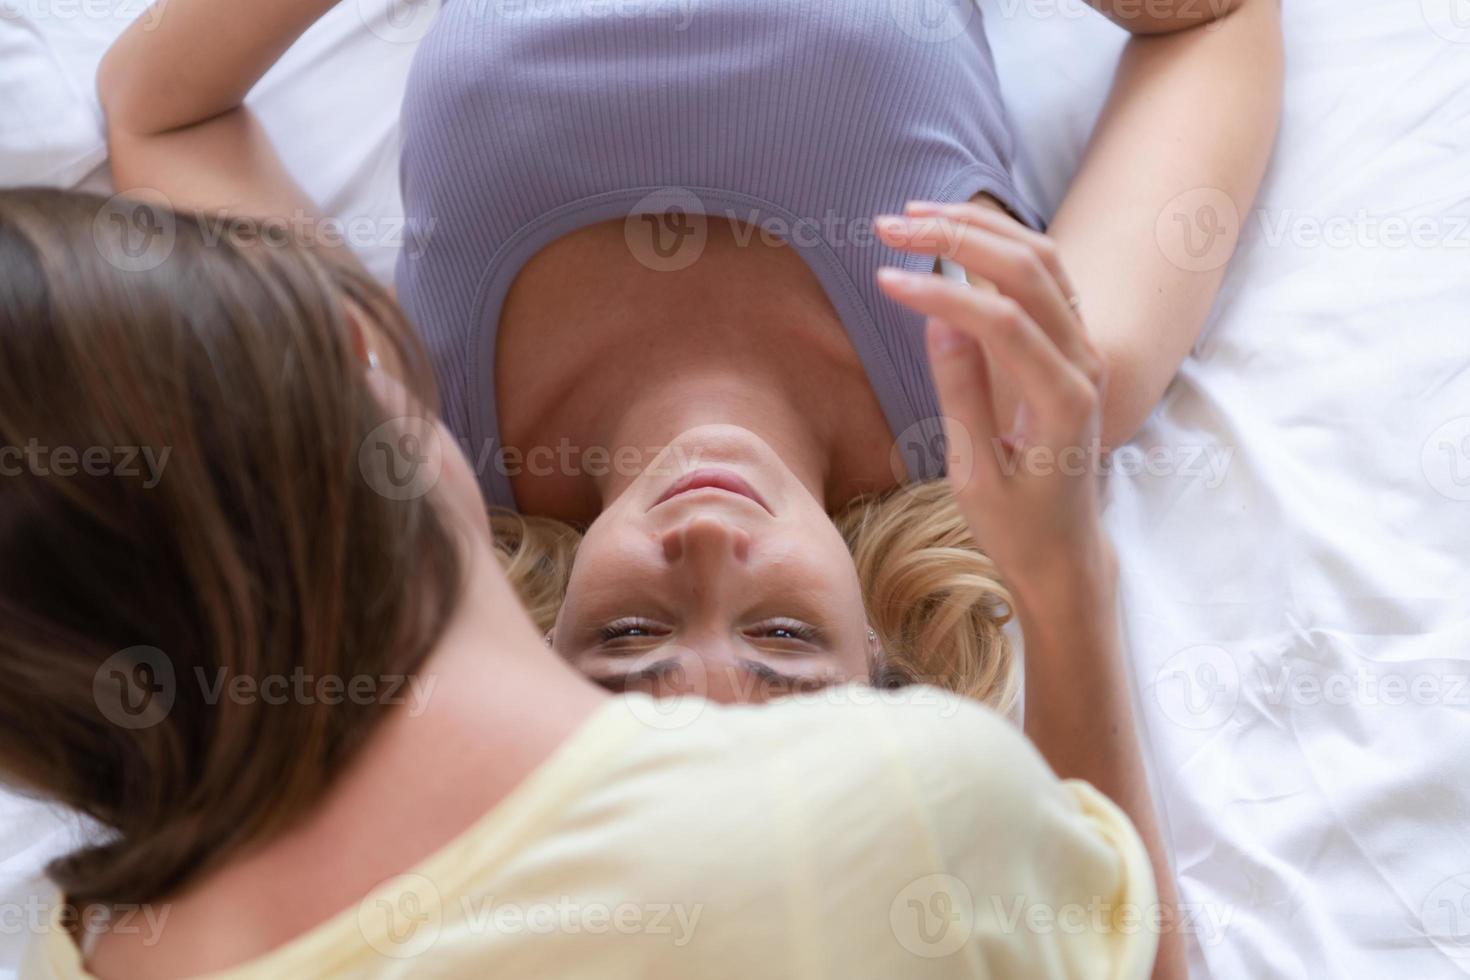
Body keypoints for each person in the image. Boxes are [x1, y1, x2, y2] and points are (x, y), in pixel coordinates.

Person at [2, 187, 1171, 978]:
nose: (708, 542)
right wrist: (1065, 583)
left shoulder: (80, 946)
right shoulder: (894, 809)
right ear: (363, 367)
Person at [94, 0, 1284, 705]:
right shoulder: (1016, 386)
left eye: (629, 637)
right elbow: (1216, 22)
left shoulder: (422, 423)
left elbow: (161, 109)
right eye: (780, 636)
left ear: (549, 649)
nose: (706, 546)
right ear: (876, 652)